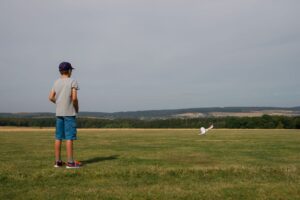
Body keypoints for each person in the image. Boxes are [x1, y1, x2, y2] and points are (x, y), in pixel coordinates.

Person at [49, 61, 81, 168]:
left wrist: (58, 102)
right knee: (69, 137)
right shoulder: (73, 81)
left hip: (59, 113)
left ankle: (58, 162)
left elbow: (50, 97)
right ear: (69, 71)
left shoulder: (56, 82)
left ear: (60, 71)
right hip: (69, 113)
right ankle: (71, 163)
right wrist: (76, 108)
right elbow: (74, 98)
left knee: (58, 137)